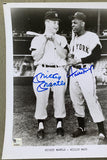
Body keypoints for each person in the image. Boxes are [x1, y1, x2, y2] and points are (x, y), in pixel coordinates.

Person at [67, 12, 107, 145]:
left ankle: (102, 132)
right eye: (72, 22)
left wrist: (79, 60)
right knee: (76, 101)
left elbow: (97, 54)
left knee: (91, 100)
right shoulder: (74, 38)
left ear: (82, 23)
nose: (72, 24)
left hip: (85, 71)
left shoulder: (91, 36)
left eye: (75, 22)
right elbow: (72, 55)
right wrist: (70, 59)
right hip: (74, 72)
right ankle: (81, 127)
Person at [30, 10, 68, 139]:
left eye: (58, 22)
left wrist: (54, 41)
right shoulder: (37, 39)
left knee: (59, 98)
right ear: (47, 22)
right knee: (41, 98)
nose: (57, 25)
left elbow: (64, 55)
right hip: (43, 70)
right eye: (54, 22)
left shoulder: (62, 38)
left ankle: (59, 124)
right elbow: (36, 57)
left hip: (58, 70)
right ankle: (41, 126)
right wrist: (45, 41)